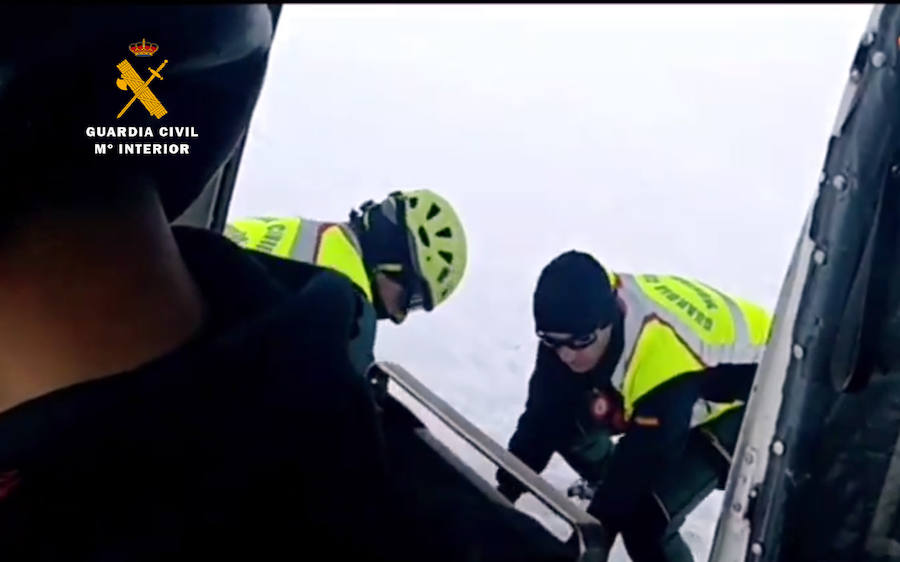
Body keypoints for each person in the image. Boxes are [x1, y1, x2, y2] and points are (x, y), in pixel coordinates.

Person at [0, 6, 572, 562]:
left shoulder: (296, 248)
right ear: (395, 273)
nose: (398, 314)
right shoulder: (343, 311)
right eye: (409, 301)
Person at [496, 250, 773, 561]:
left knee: (645, 522)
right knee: (564, 424)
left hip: (758, 397)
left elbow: (638, 467)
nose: (567, 355)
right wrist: (498, 494)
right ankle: (603, 478)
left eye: (579, 343)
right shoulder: (573, 324)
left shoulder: (661, 358)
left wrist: (585, 543)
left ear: (608, 322)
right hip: (678, 393)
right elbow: (542, 417)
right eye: (552, 342)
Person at [223, 189, 468, 376]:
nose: (399, 316)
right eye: (411, 300)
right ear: (395, 261)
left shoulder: (290, 230)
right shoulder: (351, 314)